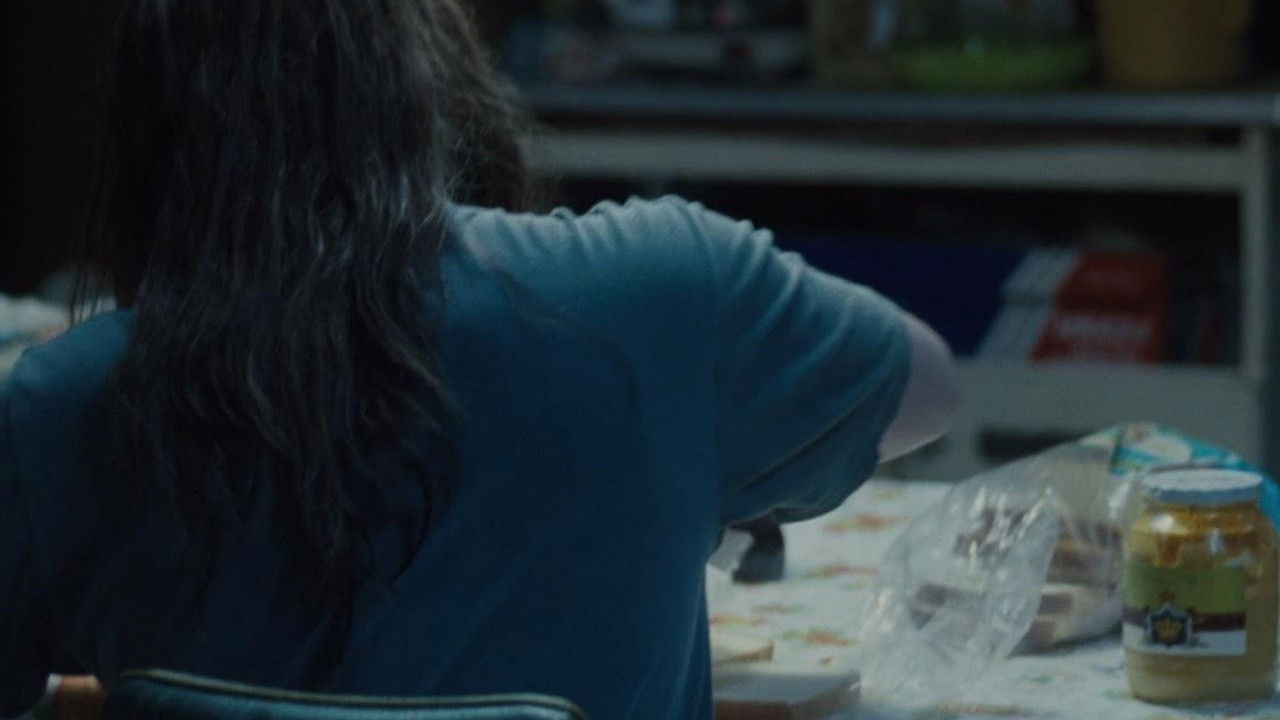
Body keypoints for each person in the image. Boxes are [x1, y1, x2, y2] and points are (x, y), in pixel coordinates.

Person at [0, 0, 959, 718]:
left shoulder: (57, 405)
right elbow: (929, 389)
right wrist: (695, 456)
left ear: (143, 133)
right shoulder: (661, 288)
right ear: (419, 81)